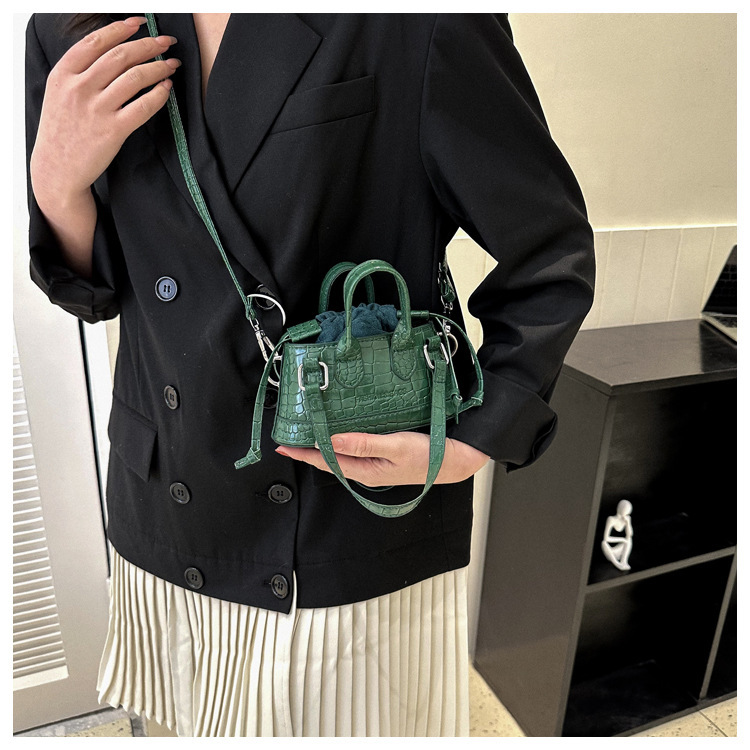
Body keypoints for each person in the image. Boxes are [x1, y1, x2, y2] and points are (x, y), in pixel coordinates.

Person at [25, 13, 596, 737]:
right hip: (164, 493)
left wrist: (479, 435)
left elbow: (550, 255)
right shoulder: (70, 26)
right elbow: (99, 290)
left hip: (340, 510)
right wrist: (56, 184)